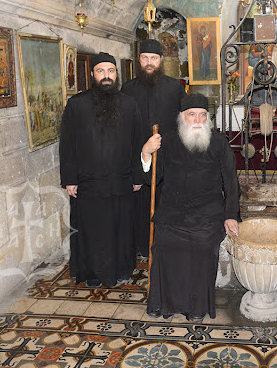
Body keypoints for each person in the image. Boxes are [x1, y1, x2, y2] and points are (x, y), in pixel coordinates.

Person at [141, 94, 240, 322]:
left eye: (202, 115)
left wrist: (230, 215)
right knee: (163, 244)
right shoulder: (168, 141)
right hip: (173, 210)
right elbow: (151, 180)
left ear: (208, 118)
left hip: (208, 211)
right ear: (182, 117)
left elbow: (231, 181)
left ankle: (196, 307)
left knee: (202, 246)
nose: (197, 120)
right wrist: (146, 152)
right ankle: (163, 303)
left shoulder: (219, 142)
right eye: (192, 114)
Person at [60, 53, 144, 287]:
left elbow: (137, 142)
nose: (106, 76)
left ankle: (122, 269)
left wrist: (137, 175)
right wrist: (70, 179)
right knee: (93, 230)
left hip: (121, 180)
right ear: (92, 74)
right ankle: (94, 274)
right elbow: (67, 145)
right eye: (101, 71)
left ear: (116, 74)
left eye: (111, 71)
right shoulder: (77, 105)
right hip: (89, 182)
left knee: (121, 228)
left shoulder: (129, 104)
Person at [121, 39, 185, 257]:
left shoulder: (175, 87)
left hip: (169, 160)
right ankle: (145, 249)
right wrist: (135, 166)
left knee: (167, 207)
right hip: (139, 160)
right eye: (145, 58)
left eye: (154, 58)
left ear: (161, 60)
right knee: (141, 209)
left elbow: (183, 125)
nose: (149, 62)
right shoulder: (128, 89)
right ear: (139, 60)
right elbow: (123, 131)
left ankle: (167, 250)